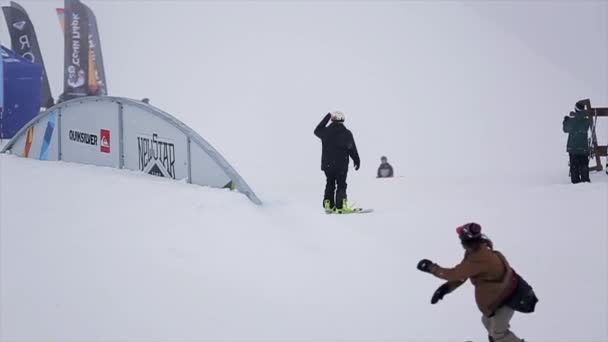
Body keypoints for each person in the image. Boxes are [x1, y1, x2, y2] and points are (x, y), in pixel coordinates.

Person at [416, 223, 533, 342]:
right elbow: (463, 274)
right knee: (487, 322)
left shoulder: (480, 257)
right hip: (501, 297)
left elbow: (455, 274)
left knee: (498, 333)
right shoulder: (476, 251)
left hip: (508, 298)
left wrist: (431, 268)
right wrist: (445, 288)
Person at [314, 111, 360, 213]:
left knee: (330, 183)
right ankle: (340, 206)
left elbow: (316, 130)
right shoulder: (346, 133)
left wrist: (327, 116)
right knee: (341, 184)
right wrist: (356, 160)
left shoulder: (325, 132)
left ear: (332, 120)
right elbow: (352, 148)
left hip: (328, 165)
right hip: (341, 165)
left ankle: (328, 205)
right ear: (342, 120)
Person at [563, 100, 591, 183]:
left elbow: (565, 129)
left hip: (573, 148)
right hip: (583, 148)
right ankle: (585, 181)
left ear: (575, 109)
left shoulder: (571, 121)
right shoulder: (586, 121)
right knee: (584, 166)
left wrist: (565, 121)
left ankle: (575, 183)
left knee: (574, 167)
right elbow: (584, 126)